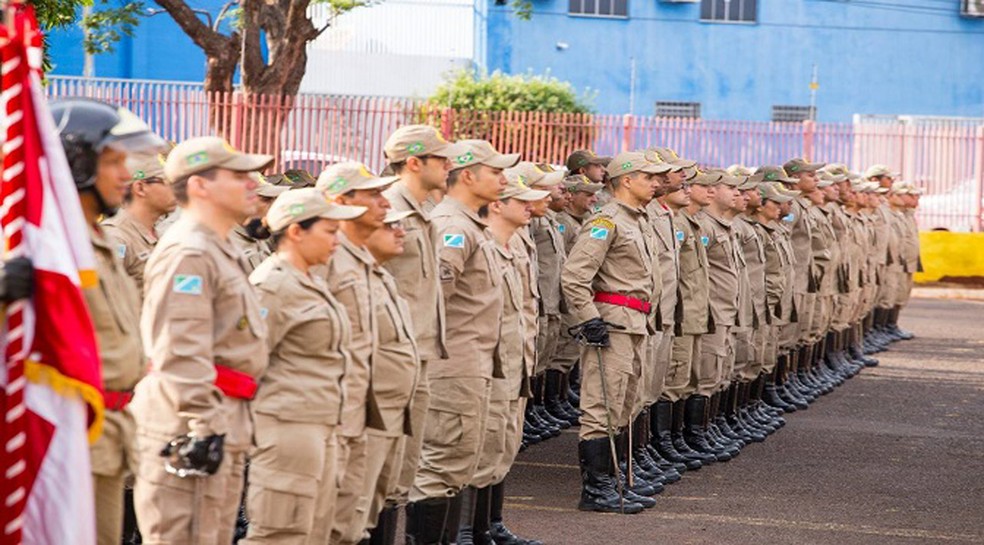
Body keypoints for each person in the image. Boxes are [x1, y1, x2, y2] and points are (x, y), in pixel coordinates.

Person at [131, 136, 273, 545]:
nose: (253, 184)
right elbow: (179, 350)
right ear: (199, 186)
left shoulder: (218, 247)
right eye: (239, 175)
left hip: (221, 420)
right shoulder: (189, 252)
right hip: (192, 426)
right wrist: (204, 425)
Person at [50, 98, 166, 545]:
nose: (126, 174)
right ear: (78, 160)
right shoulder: (50, 241)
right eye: (113, 161)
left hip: (110, 433)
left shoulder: (94, 237)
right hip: (70, 435)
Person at [242, 188, 367, 544]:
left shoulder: (312, 280)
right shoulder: (273, 285)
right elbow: (247, 360)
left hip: (321, 426)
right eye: (329, 232)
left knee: (313, 532)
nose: (337, 242)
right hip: (286, 431)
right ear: (296, 231)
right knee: (280, 534)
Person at [407, 140, 516, 544]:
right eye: (496, 171)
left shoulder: (470, 224)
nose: (504, 180)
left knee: (456, 467)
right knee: (439, 467)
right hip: (453, 368)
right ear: (468, 175)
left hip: (472, 366)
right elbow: (434, 300)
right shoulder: (453, 226)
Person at [562, 151, 666, 514]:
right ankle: (596, 491)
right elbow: (574, 276)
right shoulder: (607, 220)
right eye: (648, 177)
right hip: (613, 323)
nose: (657, 183)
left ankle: (615, 482)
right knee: (601, 407)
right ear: (625, 180)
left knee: (624, 404)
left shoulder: (636, 220)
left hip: (635, 323)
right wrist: (590, 318)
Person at [379, 125, 464, 526]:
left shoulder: (424, 213)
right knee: (378, 472)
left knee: (404, 468)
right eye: (440, 158)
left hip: (421, 354)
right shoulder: (385, 211)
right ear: (414, 162)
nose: (450, 164)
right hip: (391, 357)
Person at [314, 161, 397, 545]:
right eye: (373, 195)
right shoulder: (327, 257)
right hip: (331, 411)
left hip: (364, 406)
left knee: (353, 513)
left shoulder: (363, 258)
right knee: (324, 518)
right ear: (340, 200)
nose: (384, 202)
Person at [463, 176, 548, 544]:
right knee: (475, 447)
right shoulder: (480, 245)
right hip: (484, 363)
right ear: (497, 204)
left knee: (502, 444)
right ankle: (465, 531)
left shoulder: (513, 246)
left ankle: (489, 525)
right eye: (521, 200)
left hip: (514, 361)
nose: (530, 206)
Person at [360, 208, 422, 545]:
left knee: (377, 496)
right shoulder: (342, 277)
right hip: (343, 413)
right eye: (388, 225)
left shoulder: (380, 276)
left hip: (387, 405)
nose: (401, 232)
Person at [102, 151, 177, 295]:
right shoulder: (117, 238)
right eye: (167, 183)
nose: (175, 190)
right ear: (140, 188)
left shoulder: (158, 235)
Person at [232, 177, 289, 274]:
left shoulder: (258, 232)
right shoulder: (224, 241)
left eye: (275, 199)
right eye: (266, 200)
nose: (273, 205)